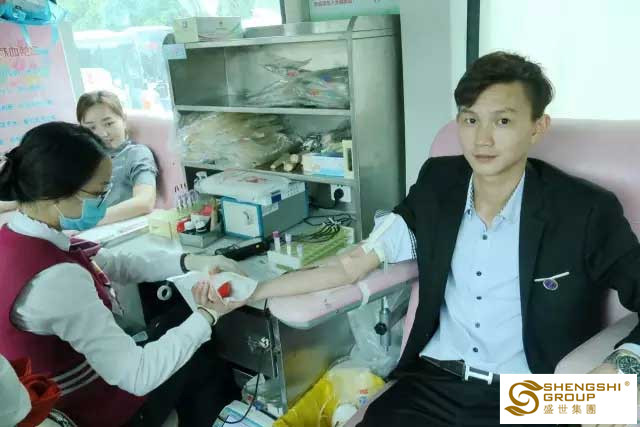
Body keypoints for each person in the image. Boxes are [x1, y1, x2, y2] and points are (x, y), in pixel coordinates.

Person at [247, 52, 640, 426]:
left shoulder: (584, 210)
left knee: (608, 403)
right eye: (470, 120)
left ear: (537, 127)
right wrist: (249, 290)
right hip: (434, 380)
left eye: (502, 121)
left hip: (530, 396)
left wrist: (622, 367)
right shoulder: (439, 182)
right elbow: (350, 265)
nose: (482, 139)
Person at [0, 121, 246, 427]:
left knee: (175, 325)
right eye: (98, 193)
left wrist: (190, 260)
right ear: (56, 195)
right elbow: (137, 376)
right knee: (206, 362)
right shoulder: (54, 279)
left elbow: (115, 263)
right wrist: (208, 314)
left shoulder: (18, 237)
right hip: (94, 411)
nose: (104, 203)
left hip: (80, 383)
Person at [76, 90, 158, 225]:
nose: (102, 134)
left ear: (123, 120)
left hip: (119, 230)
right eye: (91, 128)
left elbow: (145, 202)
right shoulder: (81, 159)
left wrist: (90, 221)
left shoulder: (136, 153)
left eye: (108, 123)